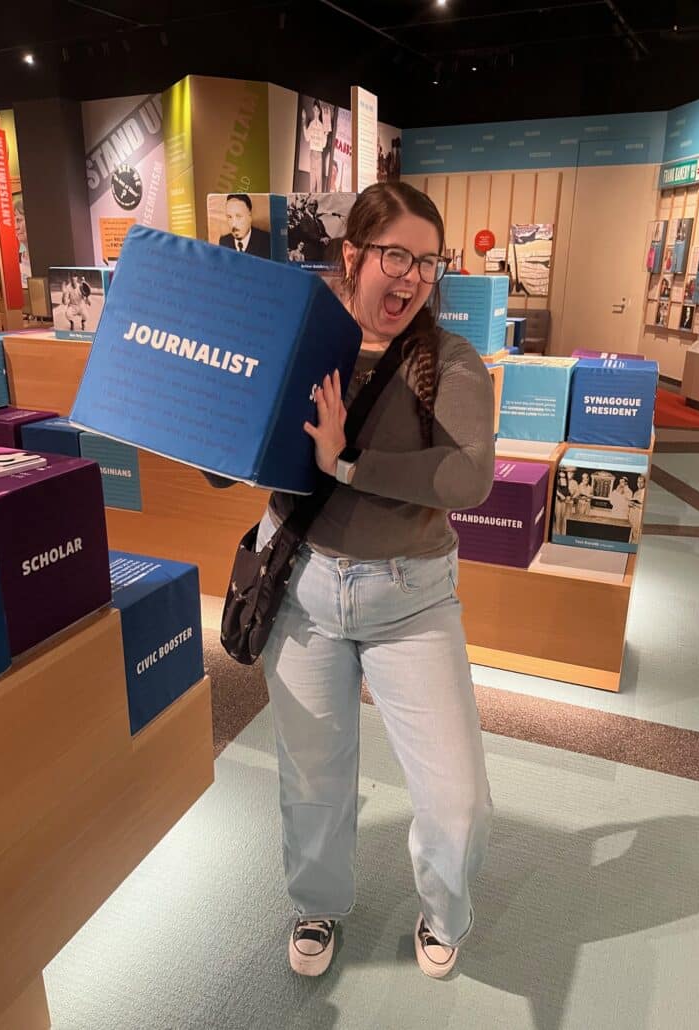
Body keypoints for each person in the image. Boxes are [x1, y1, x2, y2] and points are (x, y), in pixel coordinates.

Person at [249, 182, 495, 979]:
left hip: (411, 597)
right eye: (396, 254)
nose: (412, 276)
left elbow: (466, 478)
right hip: (304, 588)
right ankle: (315, 902)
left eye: (427, 261)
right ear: (352, 255)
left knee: (456, 799)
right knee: (312, 779)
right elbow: (233, 455)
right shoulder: (293, 339)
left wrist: (345, 461)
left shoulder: (447, 360)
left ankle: (445, 911)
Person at [301, 100, 331, 192]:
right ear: (313, 110)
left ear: (320, 111)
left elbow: (323, 144)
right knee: (312, 182)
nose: (316, 112)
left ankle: (319, 203)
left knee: (319, 181)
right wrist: (303, 121)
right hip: (312, 155)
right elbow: (307, 138)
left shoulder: (322, 126)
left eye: (318, 110)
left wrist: (326, 133)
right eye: (314, 110)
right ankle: (311, 203)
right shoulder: (311, 124)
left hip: (319, 156)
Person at [297, 197, 331, 262]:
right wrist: (320, 239)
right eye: (311, 205)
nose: (314, 206)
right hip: (310, 253)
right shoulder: (304, 220)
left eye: (315, 205)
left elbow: (324, 233)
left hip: (321, 252)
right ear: (307, 206)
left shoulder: (319, 221)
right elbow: (307, 233)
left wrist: (330, 239)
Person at [628, 474, 645, 544]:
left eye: (641, 482)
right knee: (633, 534)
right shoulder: (636, 492)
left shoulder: (644, 492)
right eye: (638, 482)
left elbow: (643, 507)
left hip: (638, 517)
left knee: (637, 535)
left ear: (644, 483)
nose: (639, 484)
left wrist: (634, 504)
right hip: (633, 516)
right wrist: (630, 504)